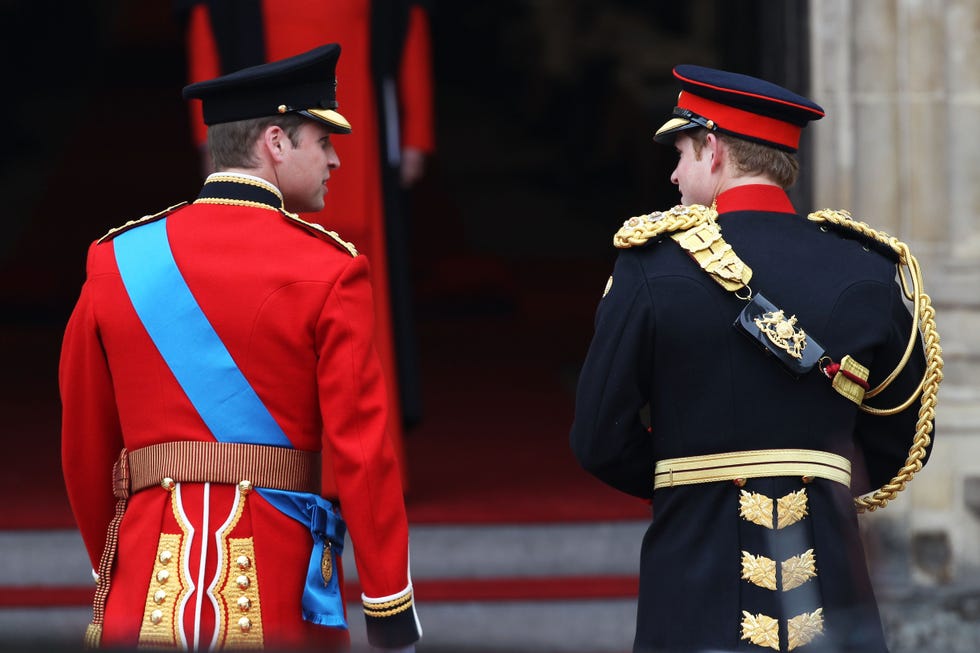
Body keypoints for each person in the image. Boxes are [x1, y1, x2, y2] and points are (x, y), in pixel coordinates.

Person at [60, 44, 420, 652]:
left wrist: (115, 566)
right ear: (275, 143)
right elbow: (363, 456)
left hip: (147, 581)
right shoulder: (331, 269)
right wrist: (388, 609)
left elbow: (84, 445)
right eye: (321, 140)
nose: (335, 158)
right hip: (279, 590)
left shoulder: (115, 260)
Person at [570, 65, 939, 653]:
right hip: (830, 579)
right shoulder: (869, 268)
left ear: (713, 150)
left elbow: (598, 437)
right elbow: (901, 441)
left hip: (692, 573)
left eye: (683, 152)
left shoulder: (649, 266)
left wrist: (686, 478)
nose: (673, 173)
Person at [180, 0, 436, 443]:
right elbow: (208, 22)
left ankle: (363, 453)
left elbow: (407, 23)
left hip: (357, 151)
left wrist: (416, 134)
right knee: (265, 289)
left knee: (357, 294)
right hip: (259, 147)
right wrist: (209, 138)